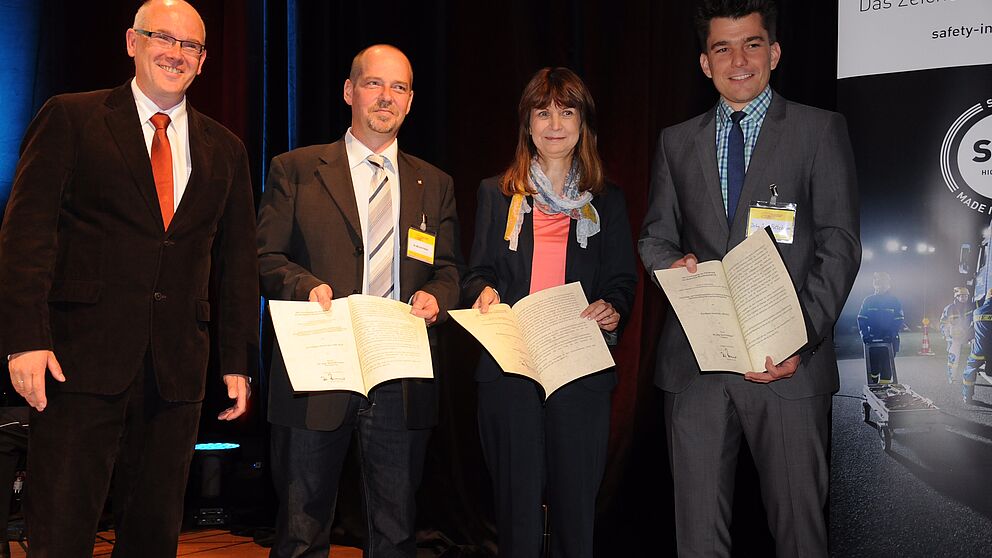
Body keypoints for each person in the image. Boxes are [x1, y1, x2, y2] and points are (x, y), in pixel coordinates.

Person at [0, 0, 258, 555]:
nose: (176, 52)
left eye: (190, 45)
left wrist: (237, 361)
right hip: (76, 363)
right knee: (61, 531)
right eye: (162, 37)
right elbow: (26, 237)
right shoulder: (71, 117)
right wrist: (25, 340)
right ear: (131, 42)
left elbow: (237, 262)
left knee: (153, 535)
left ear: (204, 60)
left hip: (176, 372)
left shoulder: (227, 150)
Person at [637, 1, 860, 556]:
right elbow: (654, 236)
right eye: (722, 48)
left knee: (800, 534)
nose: (739, 60)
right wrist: (671, 266)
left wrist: (798, 338)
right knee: (697, 539)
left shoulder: (819, 130)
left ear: (775, 52)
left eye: (752, 44)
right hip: (696, 368)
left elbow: (839, 244)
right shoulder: (675, 141)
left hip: (788, 370)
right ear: (705, 64)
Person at [257, 44, 461, 558]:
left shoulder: (434, 184)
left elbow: (450, 270)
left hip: (399, 373)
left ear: (411, 101)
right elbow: (263, 257)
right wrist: (305, 286)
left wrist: (436, 298)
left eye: (399, 88)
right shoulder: (296, 169)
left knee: (394, 532)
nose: (386, 97)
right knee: (302, 531)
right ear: (349, 91)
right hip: (317, 369)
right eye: (374, 84)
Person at [462, 67, 637, 558]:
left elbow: (623, 279)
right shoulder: (496, 194)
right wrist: (484, 293)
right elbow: (476, 272)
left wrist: (613, 307)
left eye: (567, 111)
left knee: (575, 514)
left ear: (584, 123)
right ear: (527, 124)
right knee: (515, 512)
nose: (554, 123)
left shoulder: (608, 201)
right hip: (511, 368)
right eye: (543, 112)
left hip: (578, 367)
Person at [962, 288, 992, 404]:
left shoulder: (977, 312)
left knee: (969, 369)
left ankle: (967, 396)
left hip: (979, 351)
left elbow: (971, 331)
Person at [940, 286, 974, 385]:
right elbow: (943, 322)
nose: (964, 298)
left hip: (967, 335)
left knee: (971, 357)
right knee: (953, 358)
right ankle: (952, 376)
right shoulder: (950, 308)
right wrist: (947, 335)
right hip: (954, 337)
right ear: (957, 297)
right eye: (961, 296)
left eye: (966, 296)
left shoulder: (970, 307)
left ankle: (968, 377)